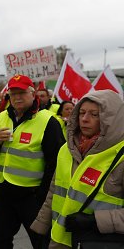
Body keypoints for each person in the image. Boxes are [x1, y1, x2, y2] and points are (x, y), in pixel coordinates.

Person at [31, 90, 124, 248]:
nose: (85, 119)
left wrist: (95, 221)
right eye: (81, 112)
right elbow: (54, 191)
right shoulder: (66, 149)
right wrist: (41, 226)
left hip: (97, 242)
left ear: (112, 119)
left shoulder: (120, 157)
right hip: (59, 240)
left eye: (94, 114)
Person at [0, 75, 65, 249]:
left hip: (31, 197)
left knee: (41, 243)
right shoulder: (2, 116)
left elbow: (56, 163)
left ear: (33, 94)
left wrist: (41, 195)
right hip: (4, 193)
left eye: (22, 93)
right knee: (0, 242)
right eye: (13, 93)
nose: (17, 97)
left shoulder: (48, 121)